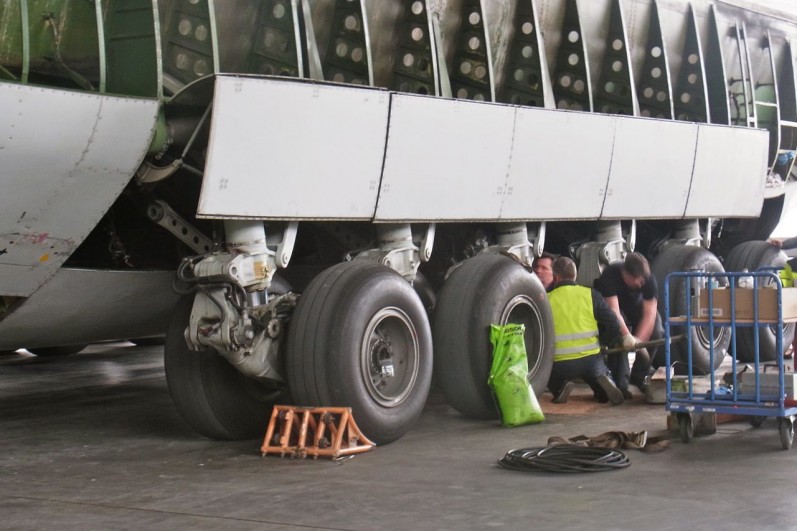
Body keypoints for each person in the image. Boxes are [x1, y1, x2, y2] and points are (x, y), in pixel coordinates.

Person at [547, 256, 625, 405]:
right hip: (590, 359)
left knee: (550, 374)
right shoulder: (590, 294)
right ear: (575, 275)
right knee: (597, 373)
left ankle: (560, 387)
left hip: (559, 362)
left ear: (556, 278)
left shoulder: (547, 299)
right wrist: (604, 342)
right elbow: (613, 323)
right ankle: (603, 387)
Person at [594, 252, 664, 398]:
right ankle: (621, 385)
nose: (641, 284)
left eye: (643, 280)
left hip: (635, 306)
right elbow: (614, 311)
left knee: (657, 329)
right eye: (637, 280)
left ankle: (639, 376)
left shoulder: (648, 279)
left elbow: (649, 314)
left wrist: (638, 341)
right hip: (615, 310)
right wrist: (626, 335)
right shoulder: (610, 275)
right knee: (616, 332)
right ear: (626, 274)